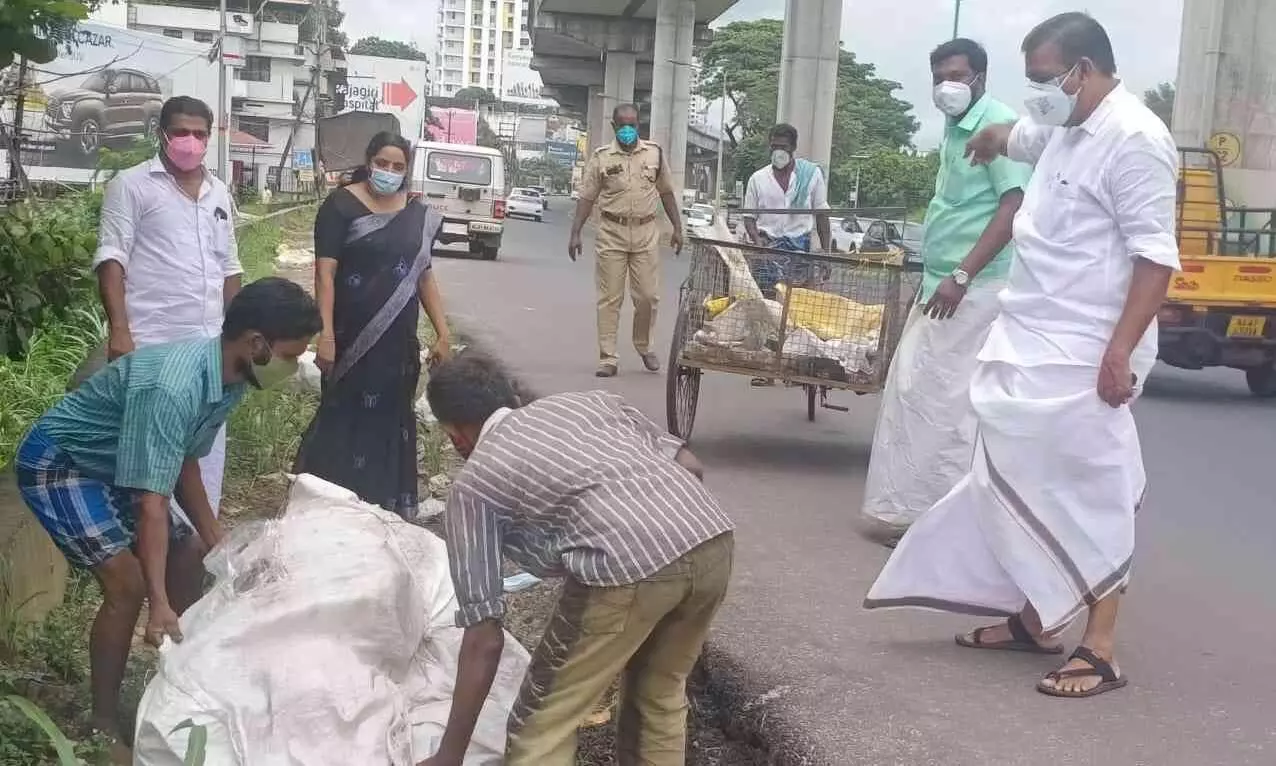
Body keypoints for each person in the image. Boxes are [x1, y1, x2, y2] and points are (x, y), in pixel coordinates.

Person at [864, 12, 1180, 699]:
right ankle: (1035, 618)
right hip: (1028, 333)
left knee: (1088, 486)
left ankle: (1100, 648)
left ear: (1083, 71)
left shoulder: (1136, 140)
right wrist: (990, 137)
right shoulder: (1063, 124)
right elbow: (1017, 134)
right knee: (1014, 476)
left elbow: (1156, 260)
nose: (1037, 92)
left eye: (1045, 79)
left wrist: (1120, 352)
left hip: (1088, 348)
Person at [13, 278, 321, 753]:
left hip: (115, 462)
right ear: (256, 343)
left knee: (193, 550)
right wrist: (157, 600)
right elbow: (150, 503)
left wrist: (218, 543)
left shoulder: (230, 380)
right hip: (62, 465)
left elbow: (186, 462)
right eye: (291, 354)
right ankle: (102, 723)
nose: (294, 365)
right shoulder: (173, 387)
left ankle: (181, 678)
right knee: (127, 585)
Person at [417, 352, 734, 766]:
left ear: (456, 435)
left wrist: (449, 755)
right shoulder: (593, 403)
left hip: (623, 567)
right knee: (657, 695)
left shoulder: (474, 486)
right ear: (511, 396)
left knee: (541, 723)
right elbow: (690, 466)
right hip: (712, 538)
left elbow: (484, 638)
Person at [860, 39, 1031, 547]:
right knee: (917, 392)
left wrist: (962, 275)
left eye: (956, 76)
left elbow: (1013, 207)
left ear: (980, 77)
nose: (945, 87)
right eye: (939, 78)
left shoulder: (997, 125)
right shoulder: (956, 128)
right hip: (945, 283)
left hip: (974, 287)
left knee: (944, 403)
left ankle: (934, 522)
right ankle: (919, 513)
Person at [92, 95, 241, 525]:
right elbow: (111, 259)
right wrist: (120, 330)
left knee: (204, 453)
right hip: (155, 345)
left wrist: (236, 335)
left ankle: (197, 547)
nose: (190, 141)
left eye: (199, 134)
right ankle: (156, 552)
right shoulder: (131, 185)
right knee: (153, 462)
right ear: (161, 133)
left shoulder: (218, 191)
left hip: (209, 348)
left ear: (209, 138)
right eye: (181, 132)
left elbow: (229, 267)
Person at [293, 131, 452, 519]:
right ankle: (329, 506)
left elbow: (423, 275)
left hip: (398, 340)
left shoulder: (416, 213)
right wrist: (325, 334)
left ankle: (382, 508)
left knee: (390, 420)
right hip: (350, 336)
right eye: (382, 163)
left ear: (406, 170)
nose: (389, 172)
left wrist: (443, 333)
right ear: (368, 161)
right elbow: (325, 275)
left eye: (398, 166)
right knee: (344, 414)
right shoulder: (340, 205)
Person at [568, 103, 684, 378]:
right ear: (614, 127)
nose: (628, 130)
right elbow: (587, 197)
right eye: (623, 125)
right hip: (612, 232)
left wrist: (678, 228)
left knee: (647, 297)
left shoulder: (654, 154)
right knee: (610, 298)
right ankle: (608, 357)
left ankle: (644, 346)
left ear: (638, 125)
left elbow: (666, 193)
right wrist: (575, 233)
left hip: (645, 233)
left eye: (633, 124)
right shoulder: (602, 157)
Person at [741, 123, 832, 386]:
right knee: (769, 308)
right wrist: (757, 240)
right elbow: (749, 218)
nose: (778, 151)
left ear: (793, 148)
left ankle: (795, 364)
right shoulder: (758, 178)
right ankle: (768, 367)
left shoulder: (811, 175)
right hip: (768, 248)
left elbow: (821, 215)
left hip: (799, 249)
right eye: (774, 146)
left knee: (797, 309)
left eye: (783, 146)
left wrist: (826, 252)